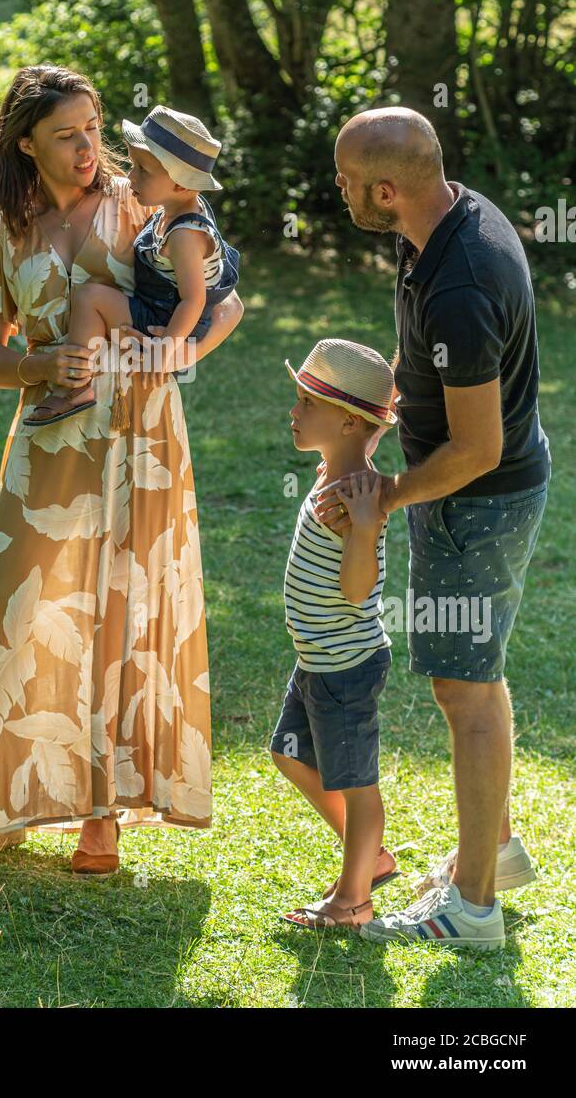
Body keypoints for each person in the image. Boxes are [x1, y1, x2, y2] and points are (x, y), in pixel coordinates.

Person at [0, 65, 244, 876]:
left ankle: (101, 822)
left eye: (94, 128)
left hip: (141, 436)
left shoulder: (143, 202)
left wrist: (178, 352)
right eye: (67, 133)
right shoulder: (4, 230)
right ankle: (7, 806)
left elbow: (226, 304)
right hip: (48, 435)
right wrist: (40, 363)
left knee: (125, 611)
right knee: (24, 613)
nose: (87, 147)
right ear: (25, 140)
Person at [316, 106, 551, 950]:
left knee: (464, 693)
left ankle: (474, 910)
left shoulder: (461, 283)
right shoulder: (445, 214)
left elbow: (477, 448)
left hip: (475, 502)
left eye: (346, 181)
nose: (338, 190)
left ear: (385, 187)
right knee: (474, 680)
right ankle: (492, 853)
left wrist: (388, 495)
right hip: (468, 494)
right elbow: (426, 366)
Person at [271, 339, 399, 931]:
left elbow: (356, 590)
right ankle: (366, 856)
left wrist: (366, 531)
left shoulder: (356, 499)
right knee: (288, 753)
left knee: (357, 783)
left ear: (348, 421)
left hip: (345, 666)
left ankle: (352, 901)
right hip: (316, 661)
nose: (293, 412)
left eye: (305, 402)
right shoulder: (335, 474)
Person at [24, 105, 239, 428]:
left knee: (89, 298)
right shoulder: (172, 210)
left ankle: (76, 387)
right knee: (93, 297)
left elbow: (194, 298)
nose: (130, 176)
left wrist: (168, 349)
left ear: (180, 184)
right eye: (132, 165)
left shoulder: (185, 235)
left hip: (166, 322)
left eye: (143, 170)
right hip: (164, 314)